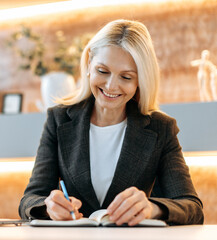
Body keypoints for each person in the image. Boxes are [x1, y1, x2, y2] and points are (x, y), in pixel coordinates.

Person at [19, 19, 203, 226]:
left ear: (140, 81)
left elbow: (192, 207)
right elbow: (29, 200)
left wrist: (153, 208)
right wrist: (48, 207)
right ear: (89, 64)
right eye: (102, 71)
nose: (111, 86)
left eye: (126, 77)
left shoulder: (160, 128)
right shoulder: (59, 120)